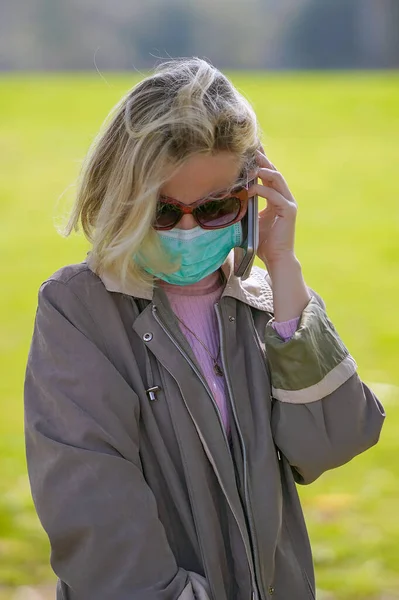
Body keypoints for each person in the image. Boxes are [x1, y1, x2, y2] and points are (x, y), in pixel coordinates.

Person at [24, 58, 385, 600]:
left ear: (250, 200)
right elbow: (92, 501)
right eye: (163, 212)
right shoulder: (77, 308)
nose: (189, 230)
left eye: (216, 207)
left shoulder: (266, 301)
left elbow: (333, 442)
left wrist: (284, 269)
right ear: (120, 197)